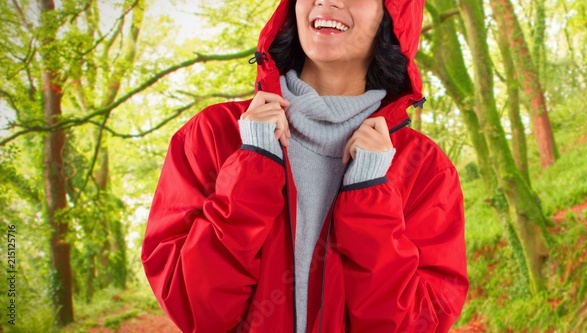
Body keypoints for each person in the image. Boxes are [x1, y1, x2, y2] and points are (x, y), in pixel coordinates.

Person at [140, 0, 468, 331]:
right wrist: (251, 165)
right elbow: (197, 312)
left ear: (393, 15)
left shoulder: (425, 170)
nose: (328, 1)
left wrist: (371, 199)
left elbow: (418, 323)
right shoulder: (212, 135)